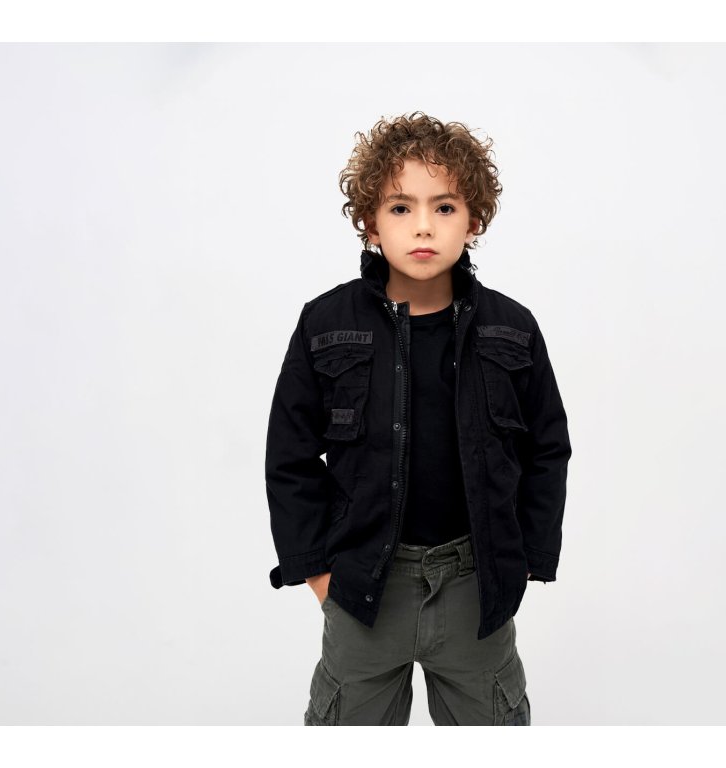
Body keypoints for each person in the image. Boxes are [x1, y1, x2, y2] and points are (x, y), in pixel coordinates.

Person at [265, 111, 572, 725]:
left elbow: (547, 449)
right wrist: (319, 573)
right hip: (363, 588)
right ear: (370, 222)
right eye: (401, 207)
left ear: (474, 220)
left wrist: (524, 561)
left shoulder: (512, 329)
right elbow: (290, 456)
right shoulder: (325, 324)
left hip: (476, 587)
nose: (423, 226)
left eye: (445, 207)